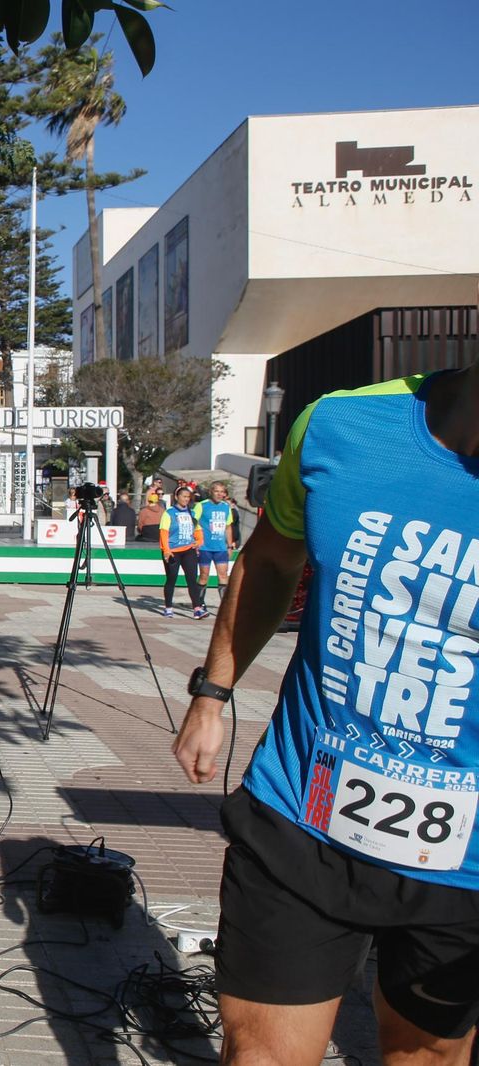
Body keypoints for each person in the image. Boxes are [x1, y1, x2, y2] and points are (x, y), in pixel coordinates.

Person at [171, 351, 479, 1066]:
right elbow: (272, 557)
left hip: (465, 860)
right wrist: (212, 694)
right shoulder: (341, 423)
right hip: (303, 811)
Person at [159, 485, 205, 618]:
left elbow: (197, 529)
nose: (186, 499)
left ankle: (197, 608)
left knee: (191, 579)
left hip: (188, 550)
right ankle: (168, 608)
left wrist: (199, 540)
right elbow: (163, 532)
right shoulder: (169, 513)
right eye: (183, 496)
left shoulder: (192, 513)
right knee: (171, 578)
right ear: (177, 497)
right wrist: (166, 550)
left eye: (188, 497)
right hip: (173, 551)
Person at [193, 480, 241, 600]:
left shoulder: (225, 507)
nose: (220, 494)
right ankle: (199, 603)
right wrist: (195, 541)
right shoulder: (201, 505)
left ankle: (223, 605)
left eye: (222, 492)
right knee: (204, 575)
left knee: (223, 575)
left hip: (220, 547)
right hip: (205, 547)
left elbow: (228, 527)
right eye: (216, 491)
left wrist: (229, 546)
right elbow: (193, 523)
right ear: (211, 492)